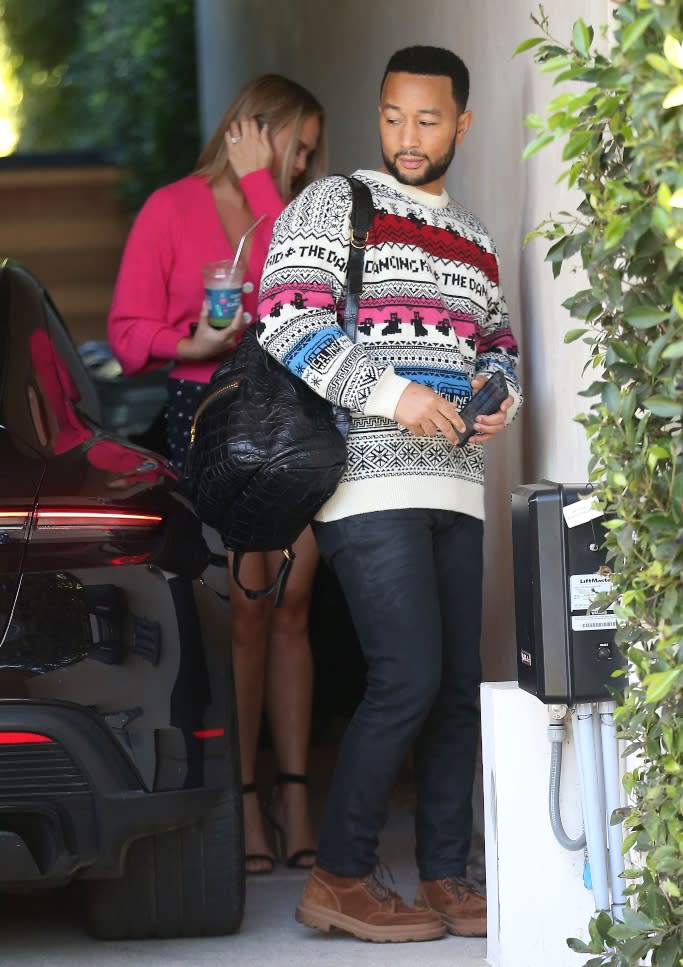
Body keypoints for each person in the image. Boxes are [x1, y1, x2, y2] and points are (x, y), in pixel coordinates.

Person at [256, 46, 522, 941]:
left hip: (457, 486)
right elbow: (284, 315)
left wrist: (496, 401)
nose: (408, 138)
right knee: (405, 676)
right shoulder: (336, 203)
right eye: (394, 117)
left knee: (453, 687)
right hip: (364, 483)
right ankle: (338, 873)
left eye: (429, 120)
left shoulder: (477, 237)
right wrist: (395, 393)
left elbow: (500, 346)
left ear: (461, 123)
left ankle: (445, 874)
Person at [108, 74, 328, 875]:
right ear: (252, 126)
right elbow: (128, 333)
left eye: (308, 154)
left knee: (295, 598)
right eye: (291, 145)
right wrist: (192, 340)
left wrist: (270, 187)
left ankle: (295, 792)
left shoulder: (292, 212)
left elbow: (303, 299)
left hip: (293, 418)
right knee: (245, 605)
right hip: (210, 422)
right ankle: (240, 796)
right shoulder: (171, 207)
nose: (301, 164)